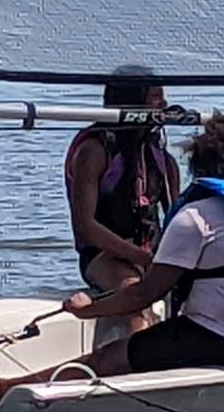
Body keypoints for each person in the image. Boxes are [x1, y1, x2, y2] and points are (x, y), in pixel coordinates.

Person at [0, 113, 224, 403]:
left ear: (198, 170)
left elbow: (144, 295)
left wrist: (86, 308)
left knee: (108, 358)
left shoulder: (194, 219)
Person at [63, 83, 180, 337]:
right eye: (155, 97)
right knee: (134, 292)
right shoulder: (93, 151)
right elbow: (86, 225)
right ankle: (138, 362)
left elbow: (178, 219)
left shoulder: (161, 156)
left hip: (152, 251)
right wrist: (140, 258)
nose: (163, 104)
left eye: (163, 97)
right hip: (104, 255)